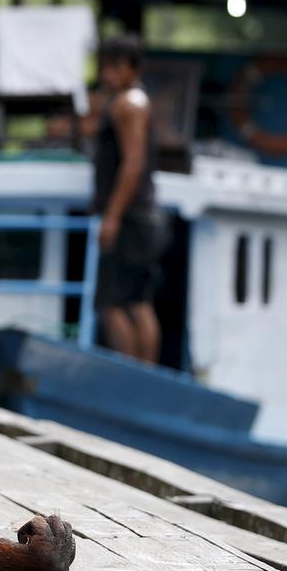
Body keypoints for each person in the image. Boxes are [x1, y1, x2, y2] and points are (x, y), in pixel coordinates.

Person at [91, 35, 168, 363]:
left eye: (115, 67)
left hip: (132, 218)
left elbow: (133, 163)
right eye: (104, 67)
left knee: (114, 305)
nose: (108, 75)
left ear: (133, 69)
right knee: (135, 302)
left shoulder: (129, 104)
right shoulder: (124, 102)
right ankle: (142, 375)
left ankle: (135, 374)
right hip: (139, 216)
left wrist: (112, 216)